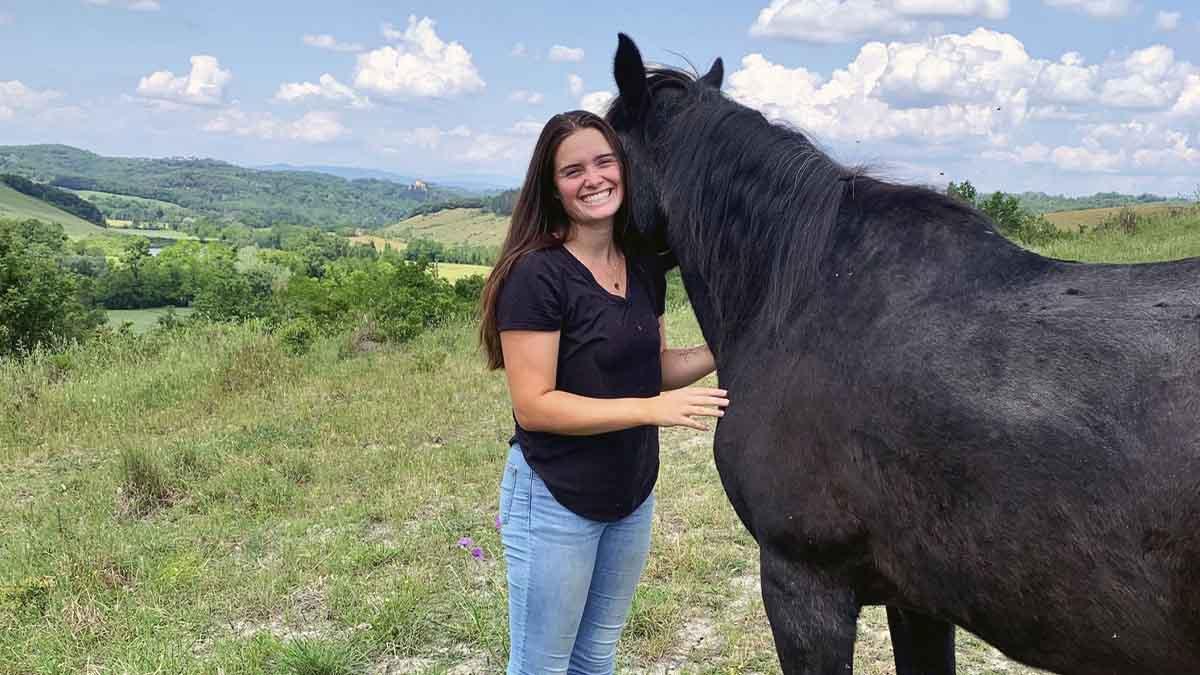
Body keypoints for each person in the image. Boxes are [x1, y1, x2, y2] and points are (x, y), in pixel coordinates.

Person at [478, 109, 728, 675]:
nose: (593, 178)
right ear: (553, 187)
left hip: (630, 494)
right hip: (554, 496)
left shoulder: (642, 268)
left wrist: (728, 348)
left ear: (624, 168)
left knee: (595, 658)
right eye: (573, 170)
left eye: (604, 162)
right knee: (542, 665)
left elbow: (653, 367)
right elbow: (534, 405)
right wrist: (650, 410)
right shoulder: (536, 275)